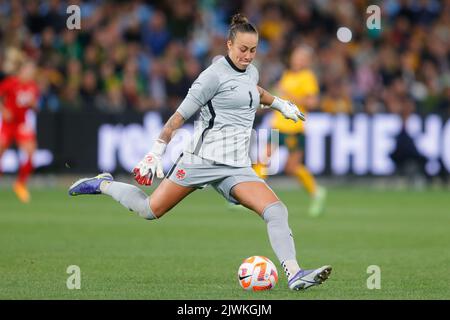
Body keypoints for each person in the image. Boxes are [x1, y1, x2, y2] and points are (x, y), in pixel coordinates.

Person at [68, 14, 332, 291]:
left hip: (236, 167)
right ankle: (104, 183)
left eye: (253, 50)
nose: (248, 56)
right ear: (229, 44)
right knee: (149, 210)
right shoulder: (211, 77)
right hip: (201, 160)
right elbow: (177, 118)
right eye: (243, 49)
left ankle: (295, 274)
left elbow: (255, 90)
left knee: (276, 211)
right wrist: (155, 152)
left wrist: (280, 104)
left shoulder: (251, 71)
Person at [253, 45, 327, 217]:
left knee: (292, 168)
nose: (298, 60)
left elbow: (312, 102)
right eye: (296, 56)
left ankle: (316, 192)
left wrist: (289, 95)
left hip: (294, 128)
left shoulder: (307, 77)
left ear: (307, 61)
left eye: (302, 58)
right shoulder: (286, 74)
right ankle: (254, 196)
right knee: (263, 159)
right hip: (277, 125)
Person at [0, 61, 40, 203]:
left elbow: (35, 106)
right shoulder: (10, 83)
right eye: (28, 70)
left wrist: (33, 104)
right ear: (21, 71)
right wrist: (4, 110)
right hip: (7, 124)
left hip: (21, 124)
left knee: (31, 153)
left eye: (32, 71)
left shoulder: (33, 87)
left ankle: (20, 184)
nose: (30, 73)